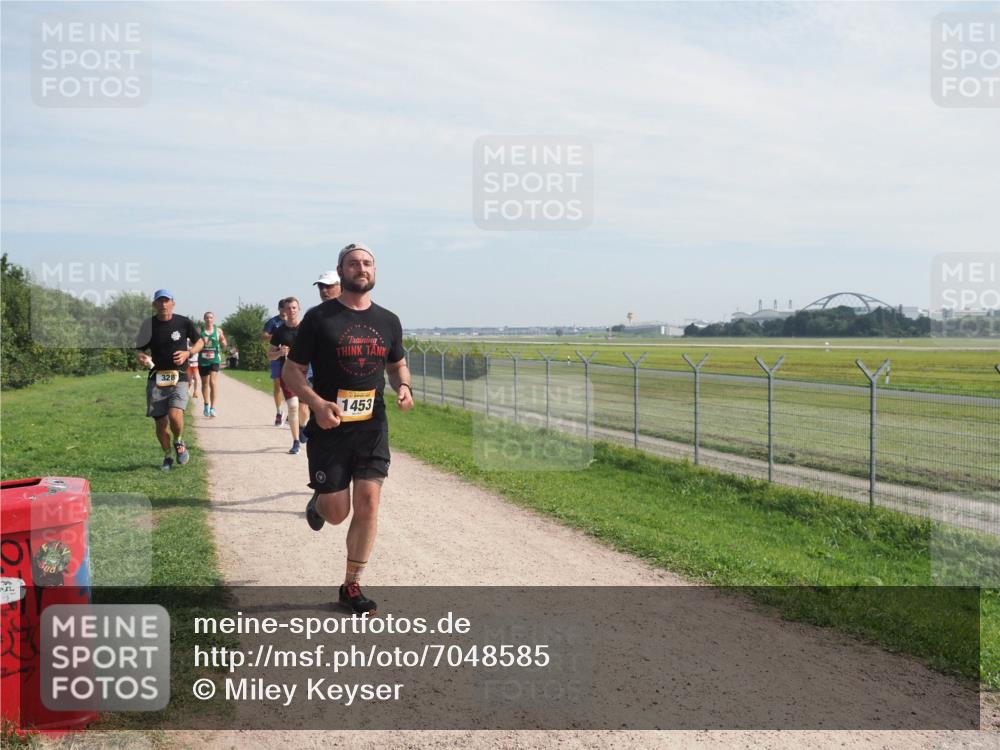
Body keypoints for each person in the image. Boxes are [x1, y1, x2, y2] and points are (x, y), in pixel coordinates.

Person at [283, 242, 413, 616]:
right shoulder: (319, 318)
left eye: (368, 263)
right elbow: (293, 371)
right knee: (338, 511)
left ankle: (351, 584)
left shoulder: (388, 320)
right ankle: (319, 502)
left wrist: (404, 386)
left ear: (375, 271)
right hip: (330, 426)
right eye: (353, 263)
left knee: (369, 502)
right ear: (341, 271)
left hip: (372, 427)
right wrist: (317, 404)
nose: (362, 268)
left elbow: (397, 365)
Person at [135, 290, 204, 470]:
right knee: (160, 424)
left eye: (166, 301)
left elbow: (200, 342)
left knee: (175, 414)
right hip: (156, 378)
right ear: (154, 305)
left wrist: (188, 353)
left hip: (179, 377)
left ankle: (179, 442)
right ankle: (167, 456)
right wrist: (141, 357)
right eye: (160, 301)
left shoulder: (183, 322)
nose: (163, 304)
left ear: (173, 303)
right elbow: (139, 350)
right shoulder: (148, 325)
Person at [268, 298, 309, 454]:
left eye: (294, 307)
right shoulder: (279, 331)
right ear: (283, 311)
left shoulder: (307, 329)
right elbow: (270, 355)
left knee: (304, 410)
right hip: (288, 373)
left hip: (305, 372)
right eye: (288, 308)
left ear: (299, 309)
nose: (291, 310)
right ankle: (296, 441)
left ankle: (303, 426)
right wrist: (279, 352)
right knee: (293, 407)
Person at [261, 299, 287, 426]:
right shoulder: (273, 322)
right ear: (279, 309)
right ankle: (279, 412)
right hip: (277, 356)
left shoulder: (295, 322)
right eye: (282, 307)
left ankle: (292, 412)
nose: (284, 310)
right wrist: (277, 335)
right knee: (278, 385)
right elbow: (263, 336)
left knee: (294, 385)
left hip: (291, 357)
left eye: (286, 307)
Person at [199, 311, 228, 417]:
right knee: (205, 384)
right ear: (204, 319)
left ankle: (213, 408)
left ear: (213, 319)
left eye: (211, 318)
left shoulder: (218, 330)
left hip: (214, 359)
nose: (209, 319)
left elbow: (224, 343)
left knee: (213, 382)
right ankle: (206, 405)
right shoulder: (200, 331)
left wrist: (224, 343)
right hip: (203, 360)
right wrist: (201, 341)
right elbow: (194, 344)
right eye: (207, 318)